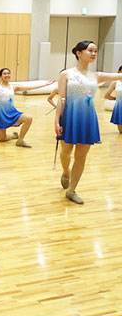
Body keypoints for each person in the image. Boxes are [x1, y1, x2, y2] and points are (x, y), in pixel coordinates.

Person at [55, 41, 122, 204]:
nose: (93, 53)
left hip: (88, 118)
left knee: (82, 156)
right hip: (70, 116)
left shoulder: (97, 75)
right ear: (79, 53)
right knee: (66, 151)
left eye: (95, 51)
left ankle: (71, 190)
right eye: (90, 50)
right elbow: (61, 99)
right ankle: (66, 172)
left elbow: (119, 75)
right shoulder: (66, 74)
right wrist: (57, 121)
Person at [0, 68, 54, 147]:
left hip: (12, 112)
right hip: (1, 115)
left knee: (28, 118)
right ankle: (14, 136)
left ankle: (20, 140)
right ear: (0, 76)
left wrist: (46, 84)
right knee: (2, 139)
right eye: (4, 74)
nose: (7, 75)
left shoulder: (14, 87)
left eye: (8, 73)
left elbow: (29, 87)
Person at [104, 65, 122, 133]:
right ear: (119, 71)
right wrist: (116, 99)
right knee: (121, 131)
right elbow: (106, 95)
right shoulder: (115, 82)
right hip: (119, 106)